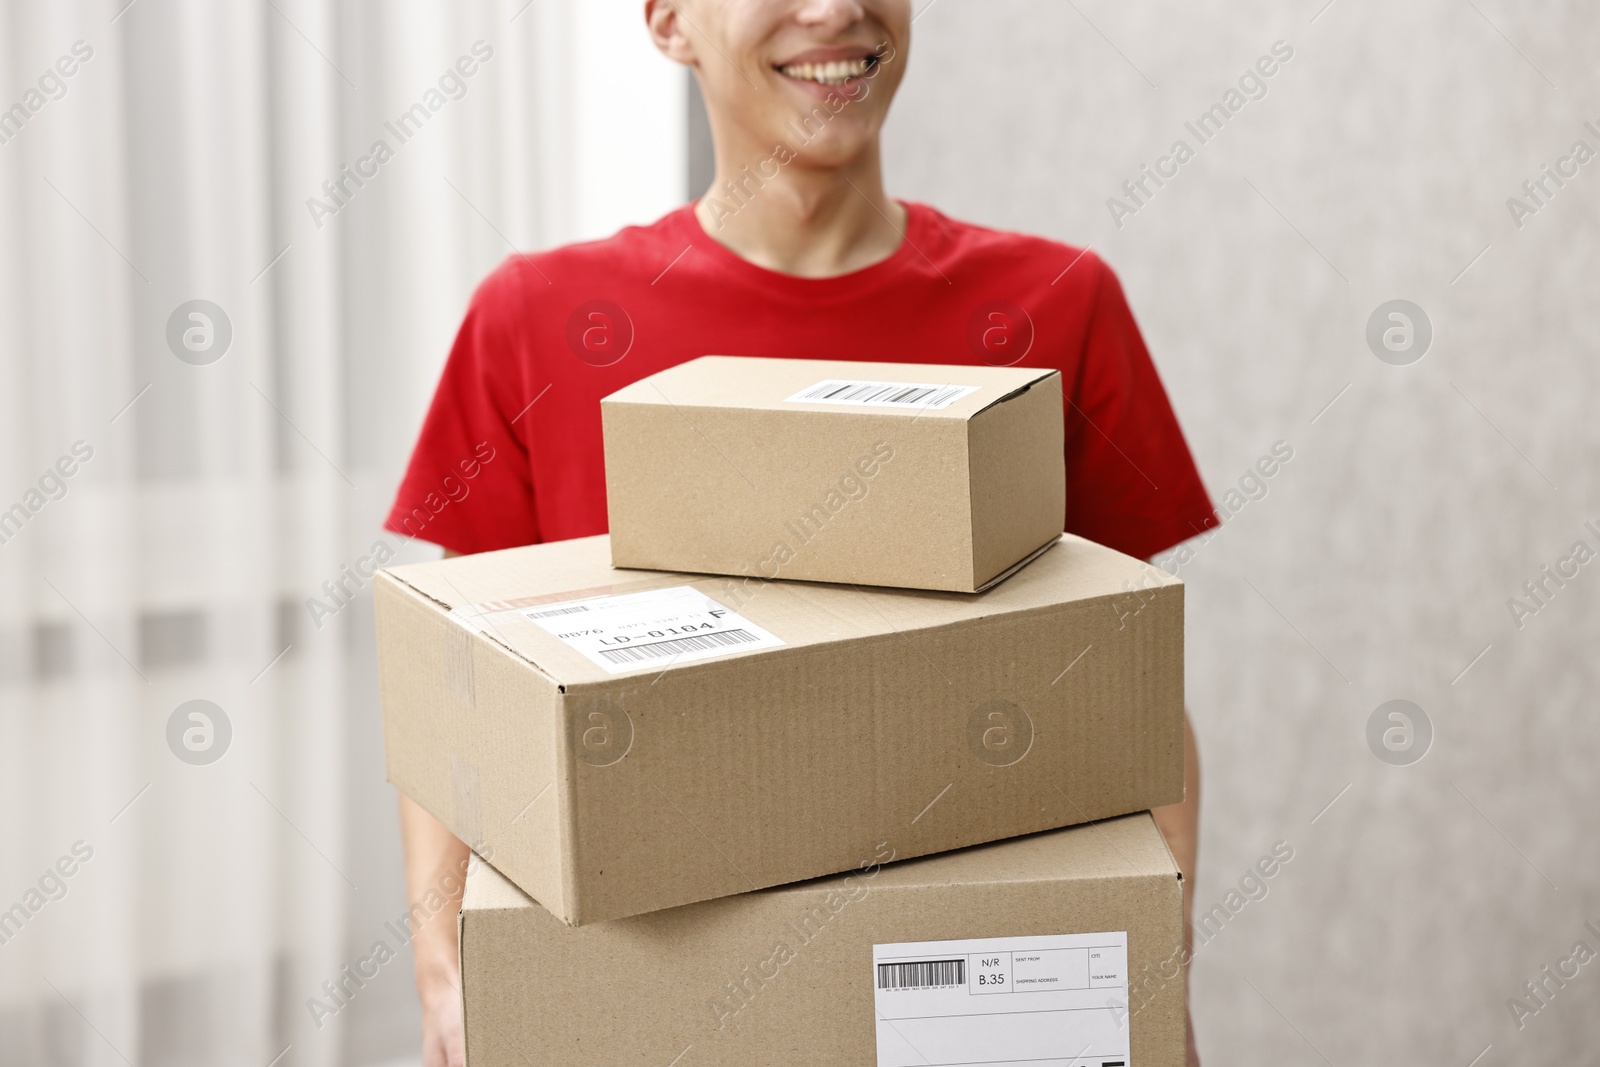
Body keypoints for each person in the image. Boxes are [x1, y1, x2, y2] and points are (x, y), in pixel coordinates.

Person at [386, 2, 1216, 1064]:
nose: (833, 10)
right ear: (669, 21)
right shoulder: (536, 319)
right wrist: (447, 972)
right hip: (654, 1009)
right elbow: (460, 705)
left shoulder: (1055, 305)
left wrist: (1157, 955)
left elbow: (1129, 691)